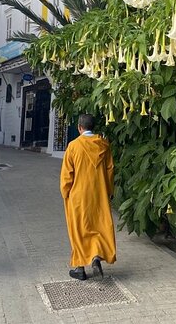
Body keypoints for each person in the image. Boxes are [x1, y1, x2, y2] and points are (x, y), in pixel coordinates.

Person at [60, 113, 116, 280]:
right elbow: (110, 171)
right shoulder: (104, 145)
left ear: (79, 128)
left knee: (79, 230)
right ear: (93, 127)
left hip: (78, 195)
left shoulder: (73, 146)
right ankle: (96, 256)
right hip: (99, 194)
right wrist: (108, 191)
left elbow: (67, 175)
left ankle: (79, 268)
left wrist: (65, 193)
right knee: (98, 228)